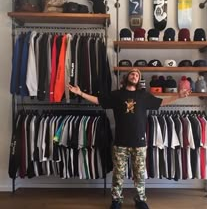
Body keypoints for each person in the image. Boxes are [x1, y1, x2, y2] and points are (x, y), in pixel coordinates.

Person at [68, 68, 191, 209]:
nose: (135, 75)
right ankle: (116, 200)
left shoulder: (144, 95)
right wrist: (80, 93)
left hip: (139, 142)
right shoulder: (116, 95)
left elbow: (161, 102)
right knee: (118, 174)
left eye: (137, 74)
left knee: (139, 174)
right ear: (127, 77)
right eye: (132, 73)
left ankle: (140, 200)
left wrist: (178, 96)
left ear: (139, 79)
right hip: (120, 142)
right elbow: (98, 100)